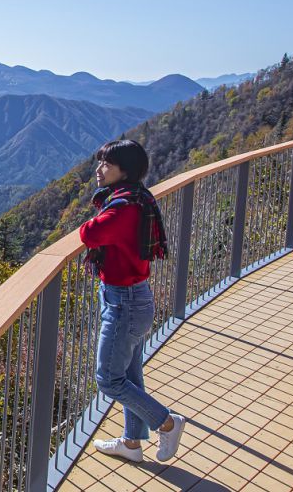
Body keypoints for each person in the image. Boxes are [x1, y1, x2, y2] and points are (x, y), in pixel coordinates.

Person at [78, 139, 185, 463]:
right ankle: (132, 443)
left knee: (109, 379)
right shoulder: (136, 198)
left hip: (124, 303)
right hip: (132, 298)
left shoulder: (123, 208)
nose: (99, 170)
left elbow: (89, 234)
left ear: (124, 170)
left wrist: (90, 224)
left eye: (106, 164)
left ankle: (166, 423)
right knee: (131, 376)